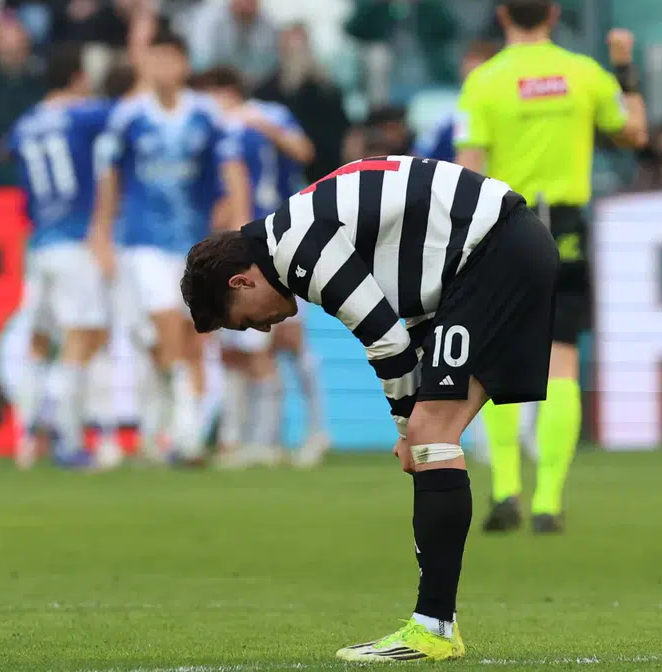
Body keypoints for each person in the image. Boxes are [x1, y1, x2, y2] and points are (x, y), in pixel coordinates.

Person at [181, 155, 558, 661]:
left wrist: (406, 428)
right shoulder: (293, 230)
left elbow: (386, 342)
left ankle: (434, 630)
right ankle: (435, 626)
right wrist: (413, 425)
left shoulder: (296, 246)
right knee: (432, 437)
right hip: (490, 254)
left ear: (240, 282)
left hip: (495, 253)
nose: (263, 328)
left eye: (246, 321)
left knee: (429, 436)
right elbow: (413, 308)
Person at [454, 0, 648, 534]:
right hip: (565, 229)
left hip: (505, 226)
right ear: (554, 15)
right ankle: (548, 501)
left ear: (503, 17)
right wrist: (625, 68)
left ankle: (505, 491)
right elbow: (634, 133)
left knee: (498, 360)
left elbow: (469, 170)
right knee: (561, 360)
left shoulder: (484, 82)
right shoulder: (583, 74)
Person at [91, 29, 250, 465]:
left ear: (183, 64)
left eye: (168, 59)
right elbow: (109, 178)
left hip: (195, 244)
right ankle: (186, 433)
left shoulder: (207, 115)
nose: (161, 68)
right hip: (142, 242)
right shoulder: (128, 116)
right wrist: (101, 232)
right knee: (164, 327)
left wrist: (240, 225)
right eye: (153, 59)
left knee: (189, 339)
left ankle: (168, 429)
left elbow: (233, 170)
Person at [194, 66, 330, 468]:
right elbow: (304, 152)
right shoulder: (267, 116)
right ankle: (284, 435)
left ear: (223, 91)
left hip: (262, 239)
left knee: (264, 342)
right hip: (288, 235)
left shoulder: (233, 125)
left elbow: (238, 188)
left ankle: (267, 440)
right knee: (276, 342)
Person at [8, 43, 122, 471]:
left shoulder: (25, 123)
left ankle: (24, 440)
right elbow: (124, 112)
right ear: (79, 78)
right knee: (82, 337)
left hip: (39, 244)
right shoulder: (82, 114)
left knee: (39, 342)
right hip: (76, 241)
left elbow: (11, 160)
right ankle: (63, 432)